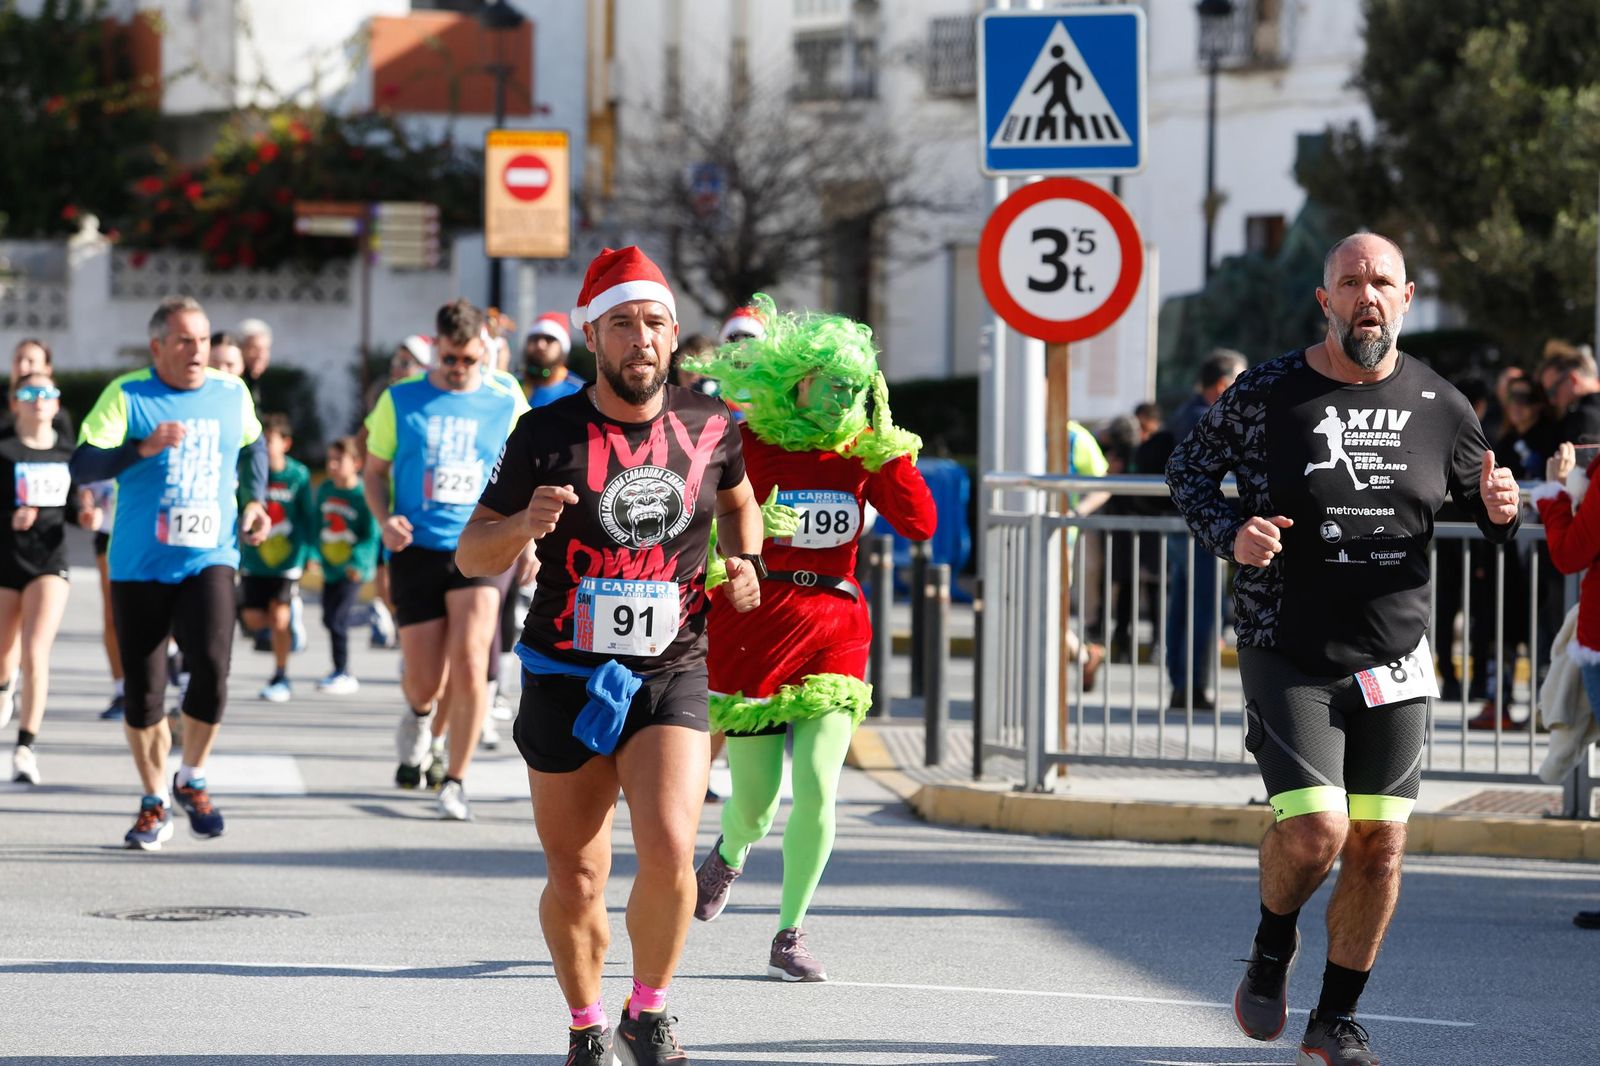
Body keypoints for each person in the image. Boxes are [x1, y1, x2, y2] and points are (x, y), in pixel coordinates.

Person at [1165, 234, 1520, 1065]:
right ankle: (1270, 945)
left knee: (1380, 842)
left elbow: (1487, 509)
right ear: (1325, 300)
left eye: (1382, 282)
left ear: (1406, 298)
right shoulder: (1268, 392)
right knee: (1316, 829)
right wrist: (1231, 531)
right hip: (1287, 642)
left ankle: (1335, 1021)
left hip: (1395, 652)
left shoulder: (1443, 403)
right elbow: (1187, 471)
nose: (1367, 295)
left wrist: (1503, 510)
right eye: (1350, 281)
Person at [457, 245, 764, 1066]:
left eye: (654, 323)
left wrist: (746, 562)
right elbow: (470, 553)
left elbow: (741, 506)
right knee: (578, 880)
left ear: (673, 335)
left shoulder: (711, 425)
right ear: (594, 335)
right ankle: (587, 1022)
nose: (641, 340)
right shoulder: (544, 433)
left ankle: (650, 1010)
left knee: (670, 848)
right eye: (622, 324)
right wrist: (522, 526)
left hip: (673, 667)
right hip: (564, 673)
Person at [685, 294, 936, 983]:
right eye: (834, 386)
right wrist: (733, 557)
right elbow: (700, 531)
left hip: (835, 626)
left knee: (821, 787)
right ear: (799, 383)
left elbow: (920, 525)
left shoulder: (860, 451)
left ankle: (789, 933)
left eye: (858, 389)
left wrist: (890, 454)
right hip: (757, 624)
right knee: (757, 801)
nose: (844, 400)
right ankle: (731, 852)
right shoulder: (749, 445)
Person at [70, 294, 270, 851]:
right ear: (157, 346)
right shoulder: (129, 394)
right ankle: (154, 798)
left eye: (203, 339)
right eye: (184, 340)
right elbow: (84, 463)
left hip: (210, 556)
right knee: (145, 692)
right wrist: (141, 447)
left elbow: (253, 448)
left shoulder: (232, 393)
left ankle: (194, 776)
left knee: (211, 664)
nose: (196, 350)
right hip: (139, 563)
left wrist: (255, 502)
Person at [363, 297, 531, 819]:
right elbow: (373, 471)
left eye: (469, 360)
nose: (459, 370)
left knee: (473, 658)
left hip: (481, 547)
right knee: (425, 679)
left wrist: (526, 540)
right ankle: (420, 716)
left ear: (486, 351)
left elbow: (529, 475)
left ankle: (455, 779)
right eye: (450, 359)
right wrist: (383, 519)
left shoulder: (506, 399)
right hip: (416, 548)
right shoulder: (400, 400)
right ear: (435, 349)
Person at [3, 373, 96, 783]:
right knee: (5, 653)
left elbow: (74, 507)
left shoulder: (67, 453)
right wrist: (11, 518)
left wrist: (86, 516)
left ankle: (25, 747)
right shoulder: (3, 451)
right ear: (16, 403)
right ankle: (5, 690)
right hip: (6, 560)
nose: (39, 400)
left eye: (47, 393)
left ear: (57, 404)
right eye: (30, 393)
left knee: (35, 650)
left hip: (49, 561)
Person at [1164, 349, 1247, 712]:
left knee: (1183, 605)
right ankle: (1194, 685)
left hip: (1182, 524)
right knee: (1203, 606)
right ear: (1222, 384)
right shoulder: (1208, 417)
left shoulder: (1185, 412)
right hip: (1204, 526)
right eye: (1239, 381)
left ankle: (1183, 683)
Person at [237, 413, 316, 703]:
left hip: (287, 560)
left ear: (286, 443)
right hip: (255, 559)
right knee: (254, 619)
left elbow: (309, 516)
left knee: (279, 619)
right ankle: (284, 621)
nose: (265, 446)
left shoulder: (297, 476)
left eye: (270, 440)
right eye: (261, 441)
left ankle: (281, 674)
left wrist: (310, 552)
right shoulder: (249, 473)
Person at [312, 436, 380, 694]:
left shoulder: (363, 494)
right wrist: (315, 555)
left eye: (339, 460)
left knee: (337, 620)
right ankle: (367, 617)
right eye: (330, 459)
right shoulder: (326, 490)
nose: (332, 465)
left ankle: (343, 671)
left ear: (357, 463)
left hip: (352, 569)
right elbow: (320, 525)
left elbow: (370, 534)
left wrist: (358, 563)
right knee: (329, 618)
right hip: (330, 566)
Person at [80, 477, 125, 719]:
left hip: (150, 533)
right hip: (110, 532)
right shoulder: (101, 437)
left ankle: (172, 658)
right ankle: (122, 691)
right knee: (113, 615)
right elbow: (82, 480)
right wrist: (86, 505)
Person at [1537, 348, 1600, 446]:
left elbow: (1583, 460)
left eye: (1553, 391)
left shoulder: (1584, 417)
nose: (1552, 401)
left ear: (1573, 380)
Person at [524, 313, 586, 408]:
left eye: (549, 339)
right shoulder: (513, 384)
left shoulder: (580, 392)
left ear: (563, 347)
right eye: (535, 338)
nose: (540, 345)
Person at [238, 318, 272, 399]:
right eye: (254, 349)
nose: (261, 355)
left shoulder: (274, 384)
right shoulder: (234, 381)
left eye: (265, 349)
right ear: (240, 348)